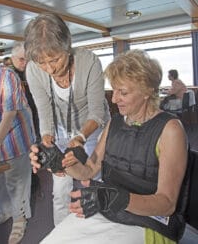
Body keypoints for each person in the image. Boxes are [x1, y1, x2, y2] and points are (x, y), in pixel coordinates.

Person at [31, 49, 188, 244]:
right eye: (113, 90)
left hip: (149, 222)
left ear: (147, 91)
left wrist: (114, 198)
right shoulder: (114, 123)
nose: (113, 99)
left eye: (123, 92)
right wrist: (60, 162)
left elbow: (167, 205)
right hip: (110, 209)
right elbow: (89, 170)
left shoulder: (170, 129)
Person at [24, 12, 110, 226]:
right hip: (62, 130)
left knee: (95, 180)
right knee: (60, 187)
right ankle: (61, 235)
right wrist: (46, 140)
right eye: (42, 62)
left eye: (54, 59)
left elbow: (97, 113)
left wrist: (81, 136)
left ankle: (102, 228)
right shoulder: (34, 70)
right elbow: (43, 109)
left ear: (67, 47)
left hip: (93, 128)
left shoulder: (88, 61)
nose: (50, 69)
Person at [0, 65, 36, 244]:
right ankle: (6, 211)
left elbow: (9, 114)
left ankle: (19, 219)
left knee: (16, 180)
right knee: (0, 181)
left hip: (15, 136)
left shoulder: (6, 75)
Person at [11, 42, 40, 142]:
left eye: (27, 60)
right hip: (19, 121)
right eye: (21, 59)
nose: (25, 63)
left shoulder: (32, 71)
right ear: (12, 58)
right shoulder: (7, 76)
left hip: (36, 113)